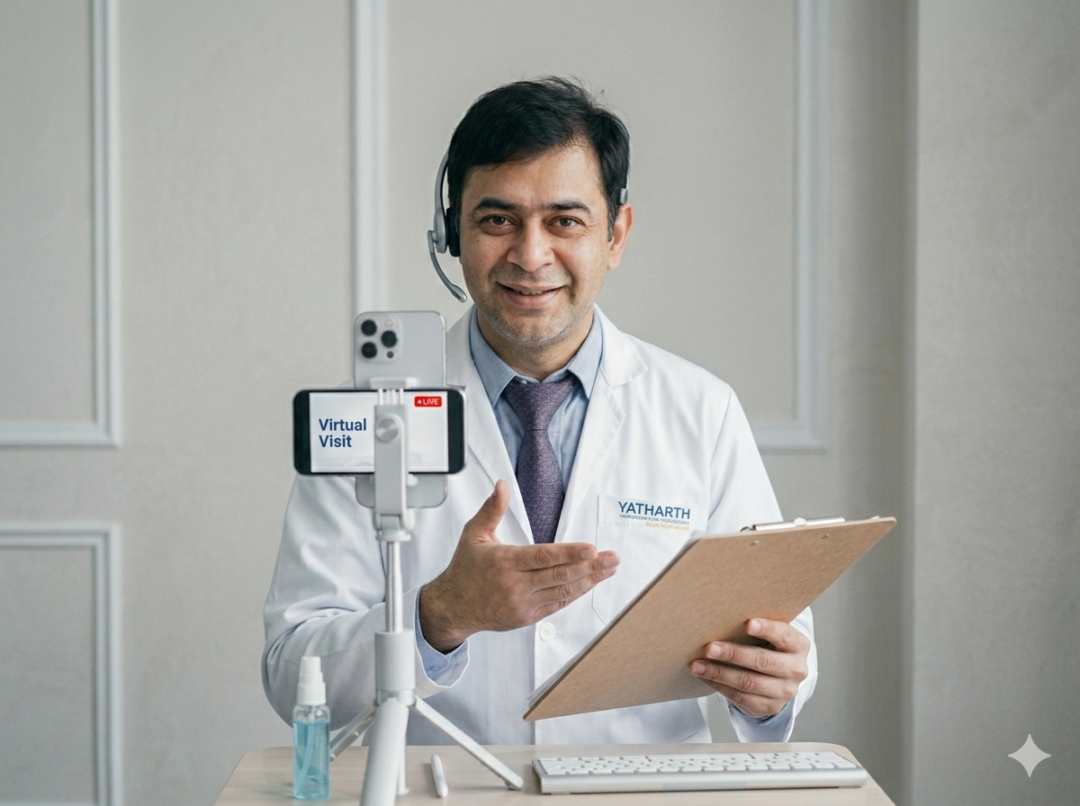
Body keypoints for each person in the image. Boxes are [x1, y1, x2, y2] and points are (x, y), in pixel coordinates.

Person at [263, 77, 816, 746]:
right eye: (497, 221)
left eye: (564, 221)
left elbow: (777, 638)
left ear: (615, 234)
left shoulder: (701, 411)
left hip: (638, 792)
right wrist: (439, 614)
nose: (530, 256)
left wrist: (771, 689)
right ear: (453, 233)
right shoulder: (364, 419)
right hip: (442, 788)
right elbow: (292, 675)